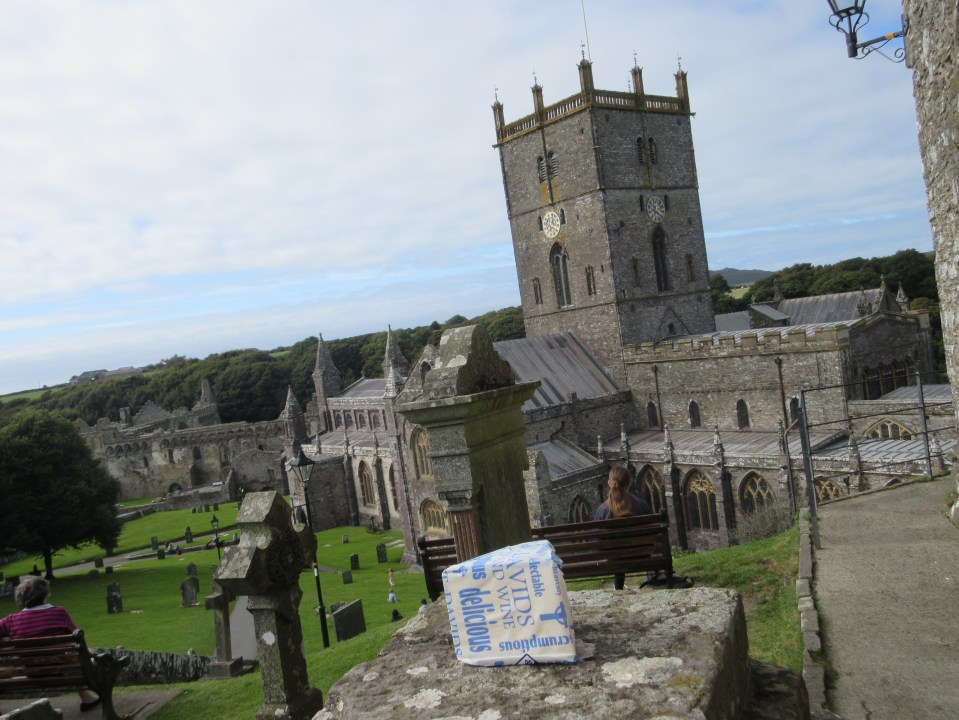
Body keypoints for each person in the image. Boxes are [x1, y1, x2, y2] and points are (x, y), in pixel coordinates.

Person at [0, 576, 101, 712]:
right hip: (60, 669)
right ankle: (87, 698)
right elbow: (77, 638)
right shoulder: (59, 612)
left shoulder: (11, 621)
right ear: (46, 594)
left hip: (30, 672)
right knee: (73, 656)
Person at [594, 466, 652, 590]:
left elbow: (596, 541)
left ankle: (618, 587)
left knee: (616, 551)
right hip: (642, 555)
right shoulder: (641, 505)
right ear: (628, 484)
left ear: (609, 483)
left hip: (613, 559)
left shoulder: (602, 510)